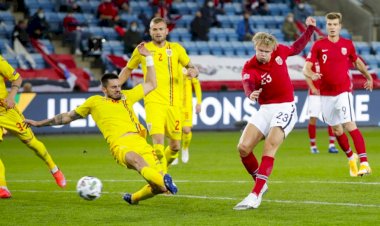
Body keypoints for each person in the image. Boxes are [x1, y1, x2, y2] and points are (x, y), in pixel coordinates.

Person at [26, 43, 178, 204]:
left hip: (140, 141)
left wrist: (148, 58)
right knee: (137, 161)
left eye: (119, 86)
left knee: (159, 188)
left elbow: (151, 84)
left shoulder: (127, 96)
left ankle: (134, 198)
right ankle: (166, 180)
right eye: (113, 87)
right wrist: (38, 123)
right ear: (104, 89)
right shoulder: (94, 102)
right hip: (120, 144)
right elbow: (66, 117)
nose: (118, 89)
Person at [233, 16, 316, 210]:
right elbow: (248, 82)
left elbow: (296, 47)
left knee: (270, 144)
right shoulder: (250, 66)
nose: (262, 54)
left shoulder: (280, 52)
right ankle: (261, 184)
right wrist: (250, 93)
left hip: (286, 107)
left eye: (266, 51)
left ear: (272, 50)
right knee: (243, 148)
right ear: (255, 48)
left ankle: (255, 194)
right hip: (265, 108)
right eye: (259, 50)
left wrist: (310, 30)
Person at [118, 17, 199, 172]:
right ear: (150, 31)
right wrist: (116, 86)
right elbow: (128, 69)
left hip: (174, 105)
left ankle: (162, 173)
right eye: (154, 29)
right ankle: (163, 179)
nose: (158, 32)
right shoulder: (142, 50)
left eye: (161, 29)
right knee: (158, 146)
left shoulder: (176, 49)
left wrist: (193, 72)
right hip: (153, 102)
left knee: (175, 147)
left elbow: (192, 67)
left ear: (167, 31)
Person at [303, 12, 373, 177]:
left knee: (349, 125)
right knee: (336, 129)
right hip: (325, 94)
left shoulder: (347, 44)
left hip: (343, 92)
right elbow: (306, 66)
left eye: (335, 24)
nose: (332, 27)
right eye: (329, 24)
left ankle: (364, 163)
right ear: (326, 26)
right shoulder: (318, 46)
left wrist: (368, 77)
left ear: (340, 26)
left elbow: (357, 62)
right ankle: (351, 158)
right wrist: (311, 74)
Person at [0, 55, 66, 199]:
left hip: (6, 111)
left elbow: (17, 78)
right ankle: (2, 187)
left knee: (32, 143)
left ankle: (54, 168)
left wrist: (11, 96)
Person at [305, 63, 338, 154]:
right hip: (315, 95)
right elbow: (306, 73)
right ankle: (313, 146)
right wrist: (312, 88)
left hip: (327, 93)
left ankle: (332, 145)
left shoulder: (328, 58)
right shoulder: (312, 59)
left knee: (331, 118)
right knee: (313, 119)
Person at [172, 67, 202, 165]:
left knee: (186, 130)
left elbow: (196, 85)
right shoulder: (171, 66)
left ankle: (185, 148)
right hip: (174, 105)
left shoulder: (188, 68)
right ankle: (174, 153)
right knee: (174, 131)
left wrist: (199, 102)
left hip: (186, 106)